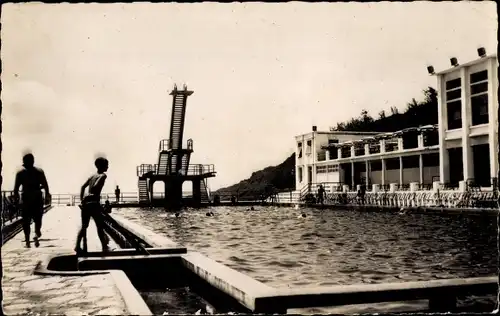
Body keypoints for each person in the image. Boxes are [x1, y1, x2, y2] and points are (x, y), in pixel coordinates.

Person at [14, 153, 51, 248]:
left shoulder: (20, 173)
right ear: (33, 161)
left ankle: (27, 241)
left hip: (26, 197)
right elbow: (46, 185)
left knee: (26, 220)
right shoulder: (39, 171)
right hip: (37, 196)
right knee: (38, 218)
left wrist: (16, 200)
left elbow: (16, 189)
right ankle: (36, 234)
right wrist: (47, 195)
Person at [74, 157, 110, 254]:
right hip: (94, 203)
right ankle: (104, 247)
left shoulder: (92, 176)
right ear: (102, 166)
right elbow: (95, 187)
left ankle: (77, 246)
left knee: (84, 226)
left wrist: (82, 200)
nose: (108, 166)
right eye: (107, 165)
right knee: (100, 226)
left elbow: (82, 187)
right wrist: (94, 194)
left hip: (86, 203)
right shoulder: (103, 176)